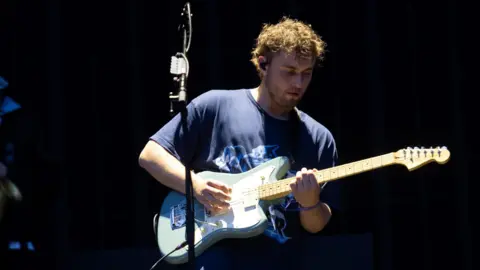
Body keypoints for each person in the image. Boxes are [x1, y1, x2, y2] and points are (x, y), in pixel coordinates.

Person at [139, 16, 341, 270]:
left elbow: (316, 225)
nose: (298, 84)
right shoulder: (216, 105)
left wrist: (310, 202)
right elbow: (150, 155)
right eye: (289, 72)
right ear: (263, 64)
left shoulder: (318, 138)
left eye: (306, 74)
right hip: (214, 257)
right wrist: (197, 186)